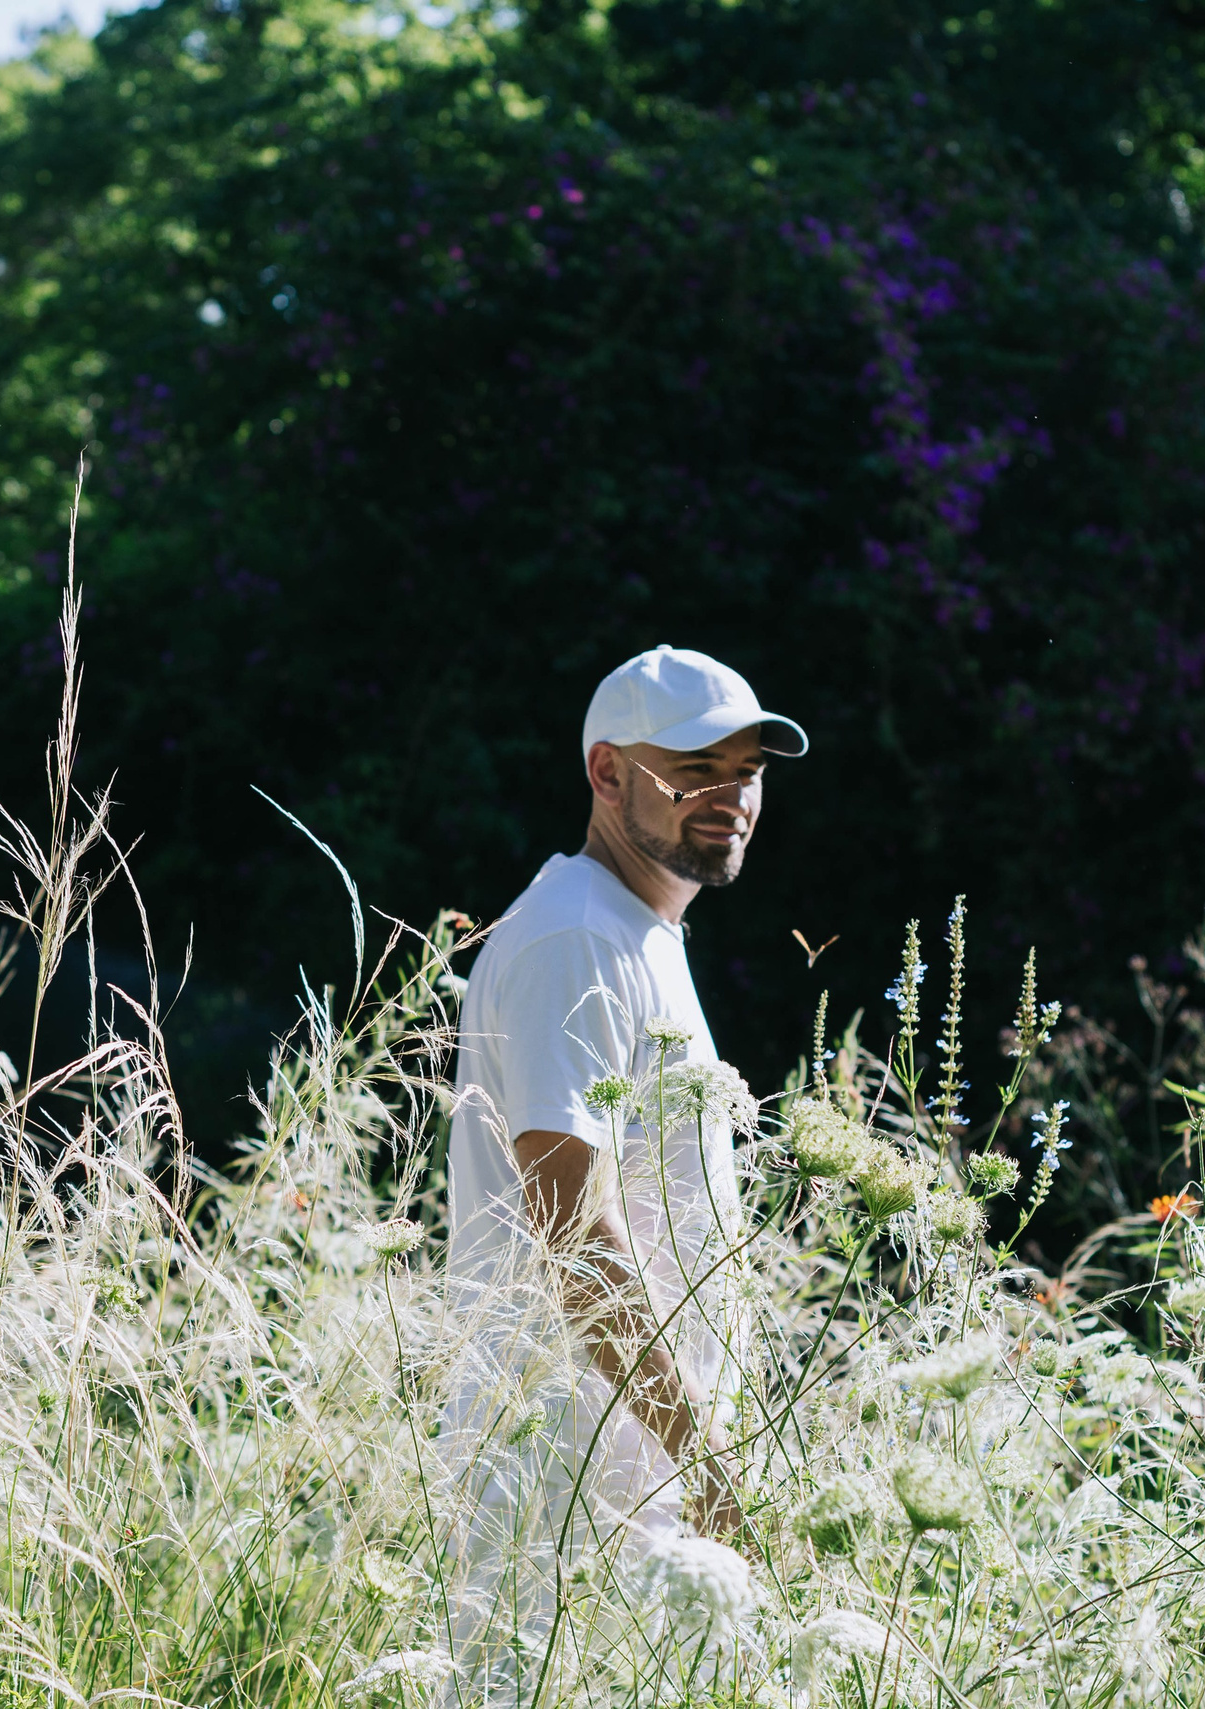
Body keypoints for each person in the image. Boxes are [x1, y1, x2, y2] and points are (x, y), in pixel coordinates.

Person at [442, 644, 805, 1695]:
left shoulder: (639, 931)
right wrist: (707, 1458)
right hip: (566, 1485)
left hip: (638, 1474)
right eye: (691, 770)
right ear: (606, 773)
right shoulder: (573, 939)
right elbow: (575, 1233)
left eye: (746, 771)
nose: (727, 796)